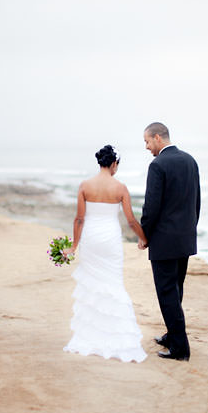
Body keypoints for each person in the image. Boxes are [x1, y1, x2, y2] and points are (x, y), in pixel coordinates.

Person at [63, 145, 148, 363]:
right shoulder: (120, 187)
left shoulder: (85, 185)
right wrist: (143, 237)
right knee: (114, 283)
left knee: (91, 284)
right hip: (110, 240)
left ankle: (90, 336)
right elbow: (130, 220)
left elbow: (79, 219)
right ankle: (117, 337)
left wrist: (73, 246)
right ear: (113, 164)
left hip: (90, 240)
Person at [139, 122, 201, 362]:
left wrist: (145, 234)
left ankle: (180, 349)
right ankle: (171, 334)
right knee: (176, 290)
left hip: (164, 241)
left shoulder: (158, 165)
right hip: (184, 238)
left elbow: (151, 206)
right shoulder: (190, 160)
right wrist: (189, 229)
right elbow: (196, 201)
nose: (146, 147)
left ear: (157, 137)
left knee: (167, 293)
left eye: (147, 141)